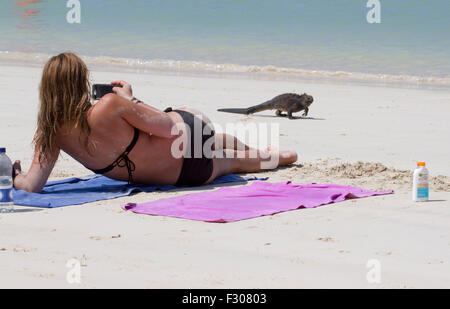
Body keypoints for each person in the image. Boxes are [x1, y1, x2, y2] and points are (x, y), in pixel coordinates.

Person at [13, 53, 297, 193]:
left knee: (230, 161)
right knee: (205, 133)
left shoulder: (50, 133)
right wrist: (131, 99)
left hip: (187, 175)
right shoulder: (109, 105)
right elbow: (168, 128)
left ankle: (278, 156)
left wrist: (15, 175)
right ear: (82, 81)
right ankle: (271, 151)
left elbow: (31, 185)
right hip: (192, 134)